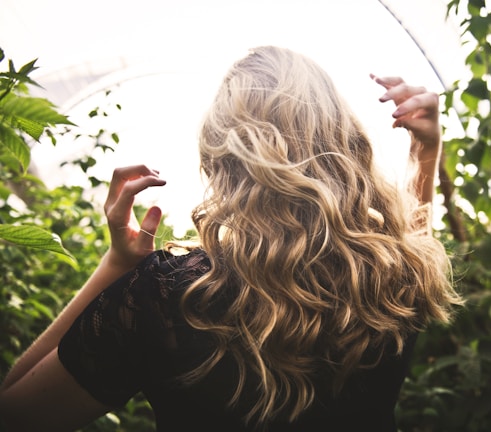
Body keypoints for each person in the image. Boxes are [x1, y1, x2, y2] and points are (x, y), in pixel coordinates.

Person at [0, 46, 462, 431]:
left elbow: (15, 413)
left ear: (221, 156)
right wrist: (425, 149)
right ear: (342, 139)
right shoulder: (397, 275)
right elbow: (410, 237)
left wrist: (117, 266)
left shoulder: (166, 298)